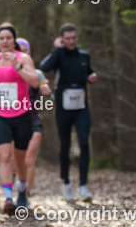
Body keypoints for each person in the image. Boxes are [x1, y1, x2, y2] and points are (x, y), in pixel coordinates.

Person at [0, 23, 41, 214]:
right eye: (1, 39)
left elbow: (35, 81)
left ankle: (23, 188)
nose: (5, 41)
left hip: (21, 114)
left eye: (8, 38)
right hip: (0, 114)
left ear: (14, 40)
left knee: (20, 159)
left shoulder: (23, 58)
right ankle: (8, 199)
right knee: (5, 156)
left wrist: (17, 67)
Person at [39, 23, 97, 202]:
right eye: (68, 39)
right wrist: (56, 49)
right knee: (65, 145)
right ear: (62, 40)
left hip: (81, 107)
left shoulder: (84, 56)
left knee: (84, 143)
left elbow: (89, 72)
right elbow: (44, 66)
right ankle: (66, 183)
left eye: (74, 38)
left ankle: (83, 186)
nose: (71, 41)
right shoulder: (59, 55)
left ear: (77, 38)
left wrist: (92, 77)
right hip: (63, 108)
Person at [16, 38, 52, 198]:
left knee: (29, 159)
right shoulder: (7, 72)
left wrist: (47, 94)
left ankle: (26, 195)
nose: (23, 52)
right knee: (13, 161)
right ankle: (15, 191)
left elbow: (49, 101)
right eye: (19, 49)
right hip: (14, 121)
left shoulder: (37, 74)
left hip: (33, 120)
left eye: (26, 50)